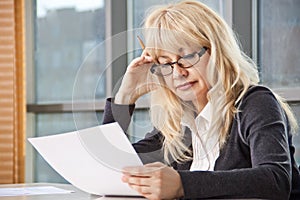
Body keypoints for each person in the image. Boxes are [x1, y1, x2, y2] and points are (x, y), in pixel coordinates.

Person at [102, 1, 300, 199]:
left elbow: (275, 180)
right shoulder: (178, 127)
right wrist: (125, 95)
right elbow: (108, 163)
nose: (178, 73)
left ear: (215, 51)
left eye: (187, 56)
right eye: (165, 63)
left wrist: (182, 184)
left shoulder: (255, 103)